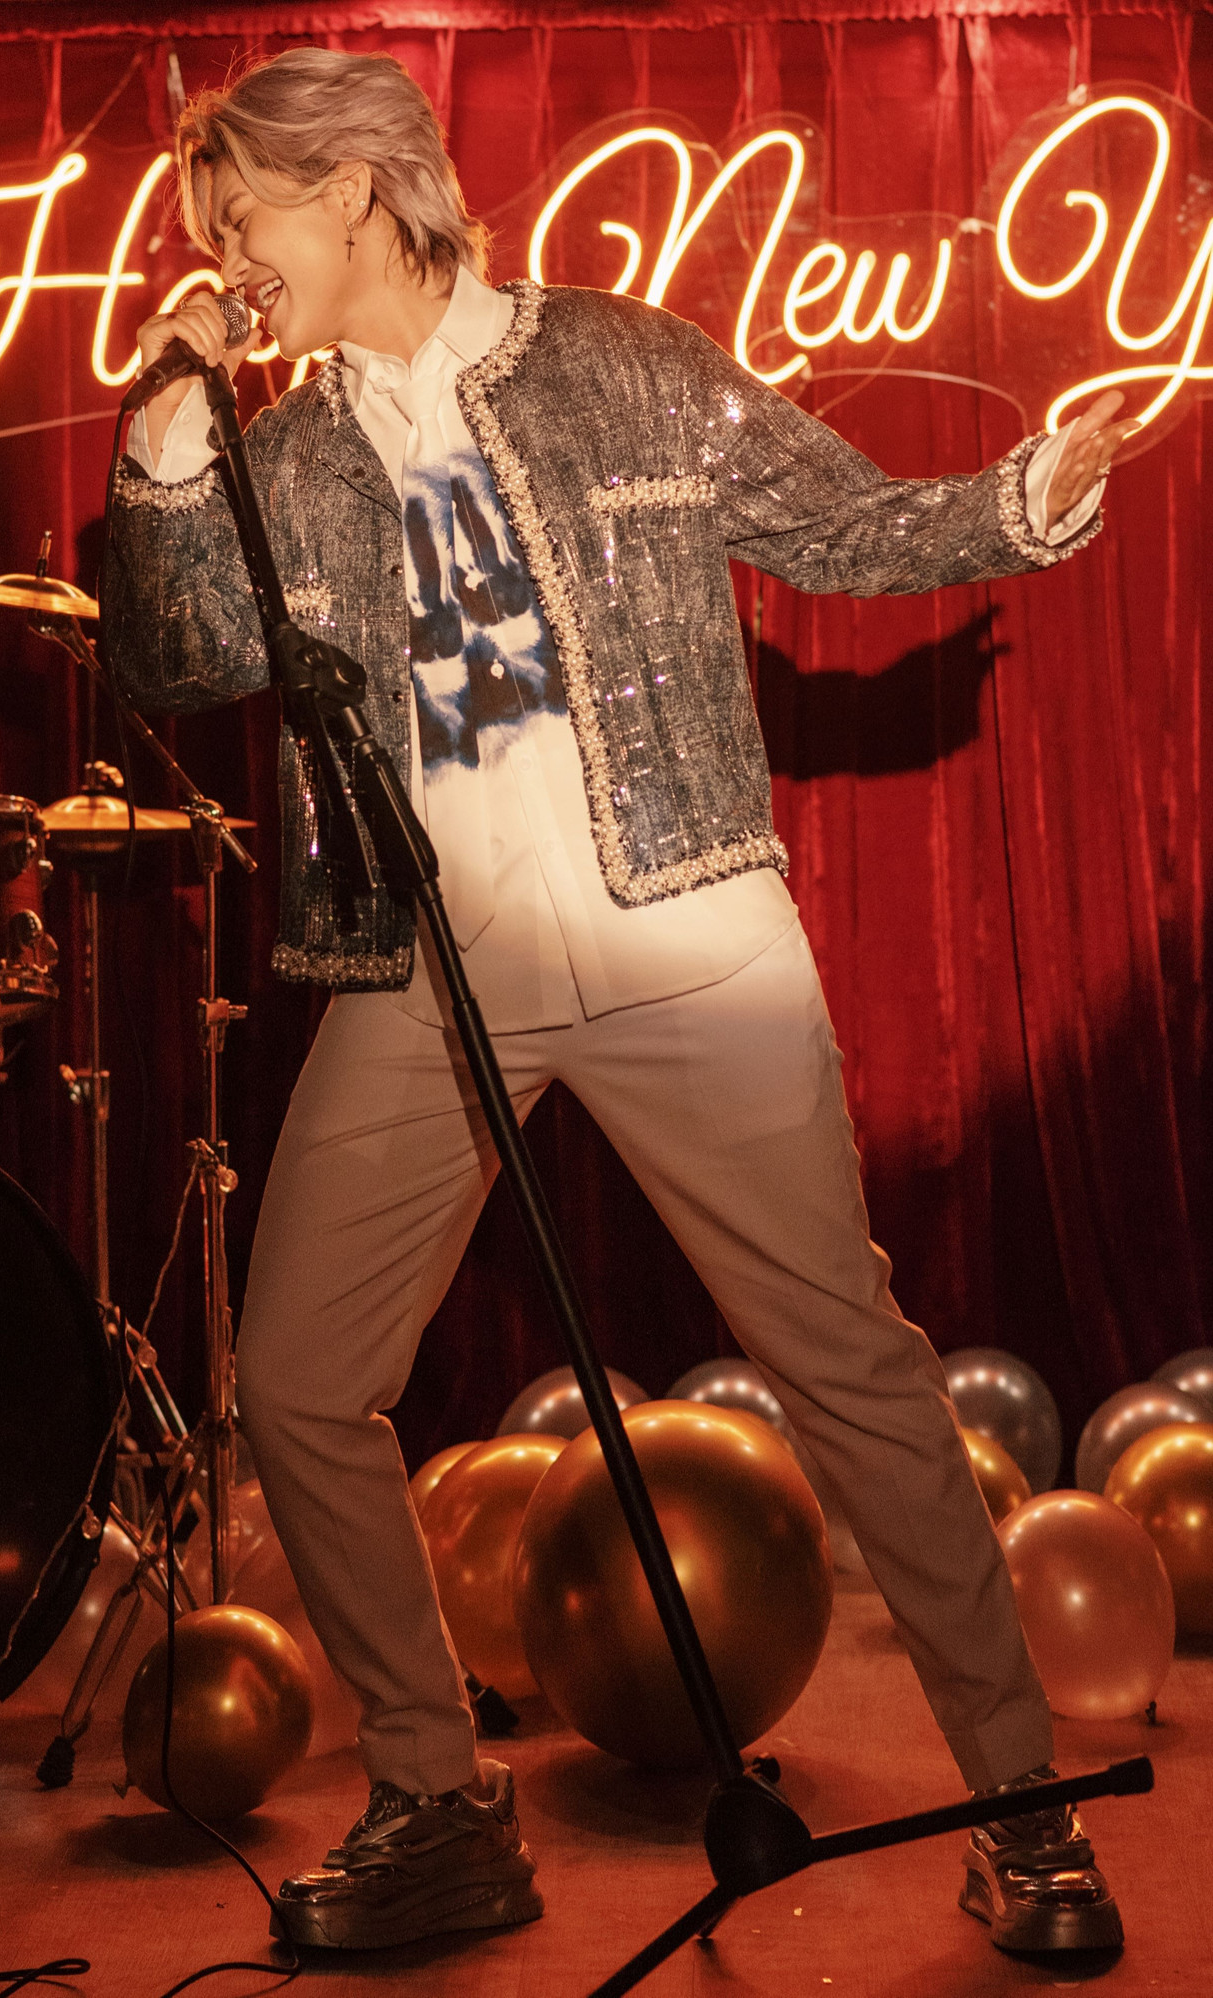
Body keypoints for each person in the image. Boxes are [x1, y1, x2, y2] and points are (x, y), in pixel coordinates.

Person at [105, 46, 1135, 1959]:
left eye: (239, 214)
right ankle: (435, 1799)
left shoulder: (616, 358)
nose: (221, 254)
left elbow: (837, 525)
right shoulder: (281, 453)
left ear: (351, 192)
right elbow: (174, 662)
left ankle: (1025, 1809)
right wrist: (169, 416)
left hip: (686, 939)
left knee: (850, 1365)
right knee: (300, 1377)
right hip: (429, 972)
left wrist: (1018, 500)